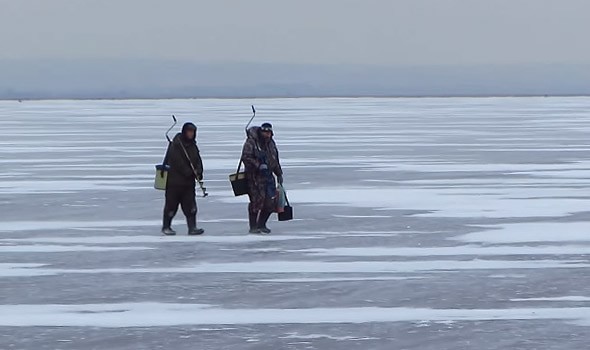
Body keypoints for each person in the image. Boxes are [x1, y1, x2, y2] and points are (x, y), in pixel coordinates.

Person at [161, 122, 204, 236]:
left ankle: (192, 227)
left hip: (188, 184)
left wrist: (199, 172)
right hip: (174, 183)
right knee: (171, 206)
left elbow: (198, 160)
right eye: (189, 131)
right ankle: (166, 227)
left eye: (193, 132)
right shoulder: (175, 145)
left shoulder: (193, 146)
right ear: (184, 132)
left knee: (191, 207)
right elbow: (177, 162)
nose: (191, 134)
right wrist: (189, 172)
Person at [241, 122, 283, 234]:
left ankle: (262, 224)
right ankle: (253, 226)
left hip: (268, 177)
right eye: (264, 132)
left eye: (268, 132)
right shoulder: (251, 142)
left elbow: (274, 159)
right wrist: (258, 165)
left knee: (270, 203)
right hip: (254, 178)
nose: (266, 134)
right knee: (256, 202)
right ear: (260, 131)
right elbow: (246, 157)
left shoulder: (271, 144)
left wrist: (278, 172)